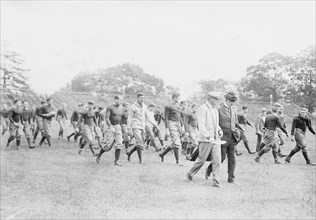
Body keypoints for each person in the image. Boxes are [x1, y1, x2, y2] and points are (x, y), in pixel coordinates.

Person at [186, 92, 222, 187]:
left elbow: (216, 124)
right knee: (202, 160)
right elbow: (201, 125)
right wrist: (209, 137)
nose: (217, 101)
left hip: (215, 139)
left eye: (217, 99)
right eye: (215, 99)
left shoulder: (215, 110)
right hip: (205, 140)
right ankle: (190, 173)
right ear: (209, 98)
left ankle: (216, 180)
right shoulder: (203, 108)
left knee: (217, 160)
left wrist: (219, 130)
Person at [206, 91, 242, 184]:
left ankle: (231, 178)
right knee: (221, 158)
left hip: (232, 138)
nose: (232, 103)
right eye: (230, 101)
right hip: (223, 138)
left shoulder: (234, 109)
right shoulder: (219, 110)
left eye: (233, 101)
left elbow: (235, 121)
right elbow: (215, 123)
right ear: (226, 100)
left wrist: (240, 129)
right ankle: (209, 169)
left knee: (232, 159)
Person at [159, 93, 187, 166]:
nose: (179, 99)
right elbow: (166, 118)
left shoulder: (178, 106)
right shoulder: (168, 106)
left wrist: (182, 126)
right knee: (176, 142)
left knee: (176, 142)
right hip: (172, 123)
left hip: (178, 124)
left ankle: (162, 154)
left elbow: (180, 116)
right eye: (178, 98)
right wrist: (167, 129)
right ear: (174, 97)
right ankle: (178, 161)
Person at [96, 95, 124, 166]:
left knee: (119, 144)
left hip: (118, 127)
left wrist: (122, 129)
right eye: (120, 100)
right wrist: (111, 126)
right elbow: (107, 118)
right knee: (107, 146)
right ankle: (99, 154)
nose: (121, 101)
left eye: (122, 100)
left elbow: (120, 119)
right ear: (116, 99)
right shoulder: (110, 107)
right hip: (110, 126)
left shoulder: (121, 108)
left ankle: (116, 161)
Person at [126, 93, 147, 164]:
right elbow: (129, 117)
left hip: (142, 126)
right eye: (141, 98)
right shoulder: (133, 107)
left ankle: (129, 152)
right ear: (137, 98)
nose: (142, 99)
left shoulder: (144, 106)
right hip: (135, 126)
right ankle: (141, 160)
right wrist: (129, 128)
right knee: (139, 142)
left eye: (143, 98)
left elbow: (146, 116)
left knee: (140, 143)